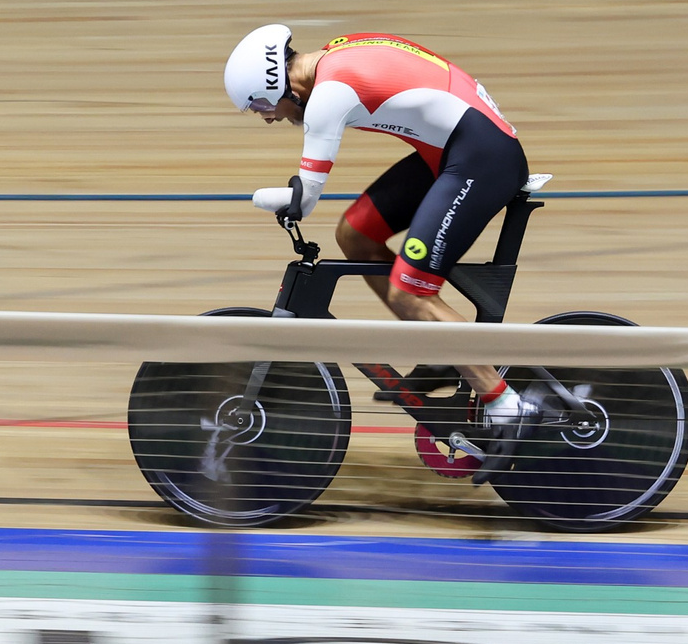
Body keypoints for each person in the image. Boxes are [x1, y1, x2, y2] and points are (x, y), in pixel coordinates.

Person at [222, 23, 536, 446]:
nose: (268, 116)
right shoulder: (334, 53)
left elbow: (305, 197)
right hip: (457, 149)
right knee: (355, 235)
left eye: (261, 103)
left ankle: (508, 408)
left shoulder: (329, 93)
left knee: (411, 291)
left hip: (481, 157)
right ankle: (444, 344)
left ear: (279, 81)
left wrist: (257, 197)